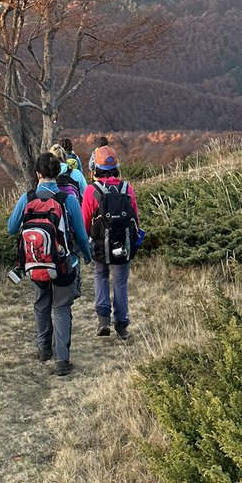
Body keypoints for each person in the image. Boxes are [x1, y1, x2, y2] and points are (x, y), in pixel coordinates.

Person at [7, 151, 92, 376]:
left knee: (41, 303)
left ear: (38, 174)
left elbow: (11, 228)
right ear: (58, 173)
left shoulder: (27, 198)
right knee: (62, 307)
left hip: (36, 261)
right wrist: (87, 255)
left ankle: (43, 349)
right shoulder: (68, 200)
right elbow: (82, 235)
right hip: (64, 262)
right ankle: (62, 360)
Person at [81, 145, 140, 341]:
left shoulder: (91, 191)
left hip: (100, 245)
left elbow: (84, 220)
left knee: (100, 274)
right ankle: (122, 324)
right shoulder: (127, 188)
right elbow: (135, 218)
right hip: (123, 244)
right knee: (121, 281)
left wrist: (85, 244)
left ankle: (103, 319)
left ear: (95, 168)